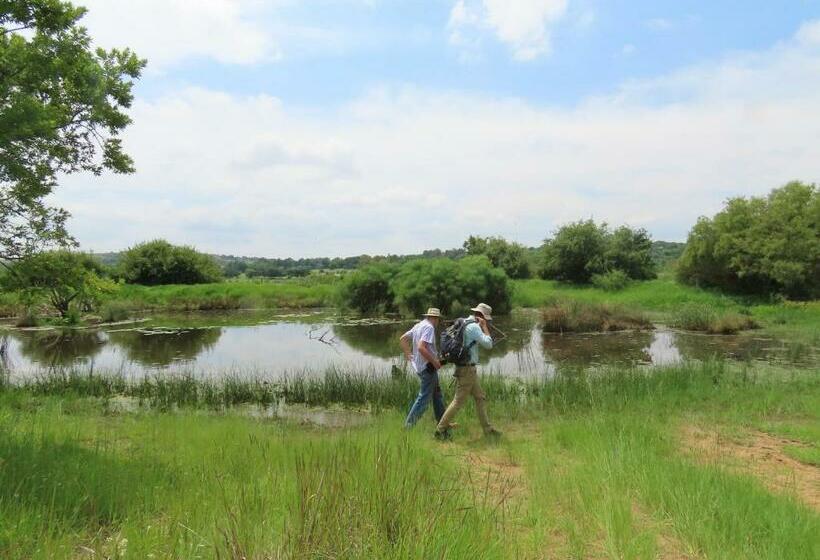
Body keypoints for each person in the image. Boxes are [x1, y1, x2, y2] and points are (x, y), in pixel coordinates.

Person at [435, 303, 501, 440]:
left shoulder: (464, 321)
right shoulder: (474, 326)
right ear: (481, 316)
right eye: (486, 318)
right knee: (458, 401)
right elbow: (488, 344)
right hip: (467, 369)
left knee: (480, 397)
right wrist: (484, 327)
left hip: (465, 367)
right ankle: (440, 430)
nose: (487, 321)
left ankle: (488, 429)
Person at [400, 307, 445, 427]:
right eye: (438, 319)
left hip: (419, 367)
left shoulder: (418, 325)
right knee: (423, 398)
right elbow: (421, 347)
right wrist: (435, 362)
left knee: (437, 394)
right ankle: (408, 427)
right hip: (427, 368)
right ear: (435, 318)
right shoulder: (429, 327)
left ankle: (443, 423)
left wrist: (408, 353)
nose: (438, 322)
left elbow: (403, 339)